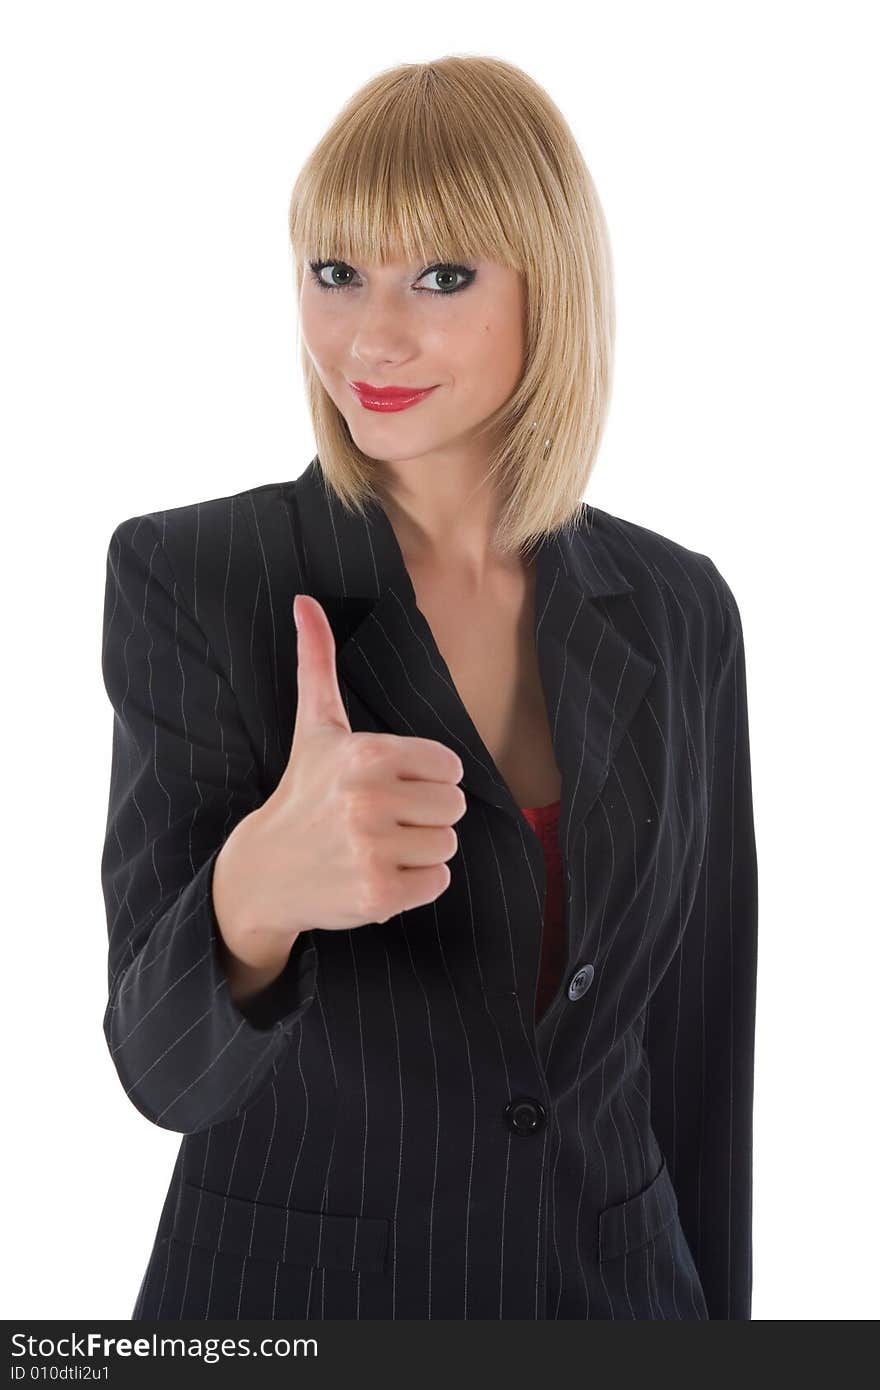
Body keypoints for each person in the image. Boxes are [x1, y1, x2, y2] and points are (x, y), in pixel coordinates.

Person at [100, 54, 758, 1321]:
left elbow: (695, 1048)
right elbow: (160, 1072)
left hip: (615, 1300)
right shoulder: (196, 575)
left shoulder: (681, 609)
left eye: (442, 276)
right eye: (335, 273)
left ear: (547, 291)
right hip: (298, 1309)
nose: (371, 336)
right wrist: (251, 899)